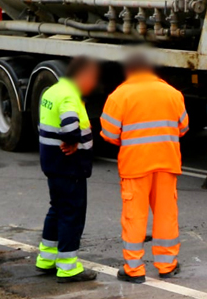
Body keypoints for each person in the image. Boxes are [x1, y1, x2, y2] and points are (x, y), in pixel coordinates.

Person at [100, 53, 189, 283]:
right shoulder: (173, 93)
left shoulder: (119, 95)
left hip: (135, 166)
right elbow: (183, 128)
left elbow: (109, 135)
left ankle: (134, 270)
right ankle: (167, 265)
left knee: (134, 218)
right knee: (166, 216)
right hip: (167, 164)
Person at [35, 56, 100, 283]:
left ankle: (46, 258)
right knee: (72, 214)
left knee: (57, 209)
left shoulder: (52, 91)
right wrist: (72, 140)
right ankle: (68, 267)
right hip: (69, 166)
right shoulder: (69, 96)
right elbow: (70, 124)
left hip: (52, 164)